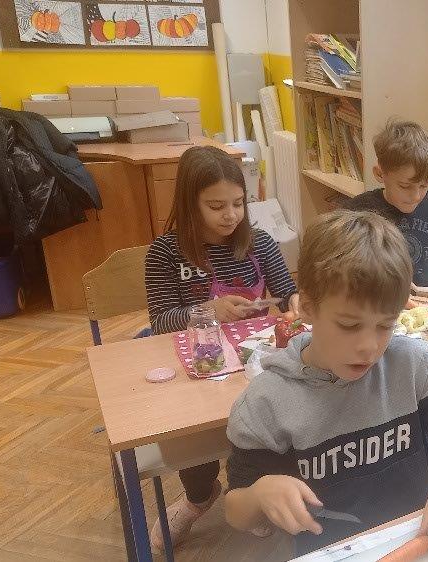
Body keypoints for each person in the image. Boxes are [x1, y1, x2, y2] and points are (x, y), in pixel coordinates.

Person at [223, 210, 428, 554]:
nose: (369, 346)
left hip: (417, 541)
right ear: (307, 307)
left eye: (385, 325)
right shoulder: (268, 403)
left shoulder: (412, 366)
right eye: (349, 325)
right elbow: (235, 512)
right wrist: (259, 494)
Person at [143, 145, 298, 548]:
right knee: (196, 435)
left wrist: (296, 302)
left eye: (238, 203)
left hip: (254, 364)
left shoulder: (260, 243)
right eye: (216, 206)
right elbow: (160, 321)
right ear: (189, 204)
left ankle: (251, 490)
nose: (230, 215)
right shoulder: (165, 254)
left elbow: (287, 294)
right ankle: (199, 496)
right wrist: (206, 310)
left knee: (267, 420)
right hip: (200, 367)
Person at [345, 120, 428, 296]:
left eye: (424, 185)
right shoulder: (358, 211)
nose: (416, 196)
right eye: (405, 186)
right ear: (380, 174)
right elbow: (347, 273)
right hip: (385, 304)